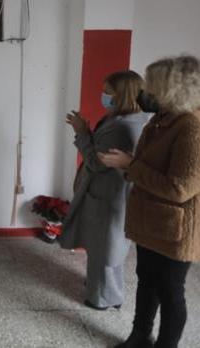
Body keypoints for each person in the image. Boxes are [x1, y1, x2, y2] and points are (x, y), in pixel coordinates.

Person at [98, 56, 200, 348]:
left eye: (153, 87)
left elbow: (181, 188)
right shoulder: (161, 120)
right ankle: (140, 336)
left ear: (174, 90)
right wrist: (128, 164)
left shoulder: (192, 128)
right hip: (150, 223)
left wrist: (130, 165)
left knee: (170, 290)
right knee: (146, 281)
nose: (146, 94)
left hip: (174, 229)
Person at [59, 71, 149, 310]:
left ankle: (101, 298)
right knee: (107, 246)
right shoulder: (128, 118)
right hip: (109, 194)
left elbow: (95, 162)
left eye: (108, 92)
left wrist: (80, 132)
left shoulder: (122, 127)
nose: (104, 96)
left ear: (123, 95)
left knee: (105, 249)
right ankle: (109, 291)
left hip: (109, 195)